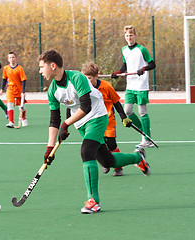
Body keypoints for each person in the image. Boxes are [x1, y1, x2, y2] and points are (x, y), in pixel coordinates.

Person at [39, 49, 151, 214]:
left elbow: (86, 106)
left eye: (42, 67)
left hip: (97, 116)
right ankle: (138, 157)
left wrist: (67, 123)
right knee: (108, 161)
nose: (40, 71)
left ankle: (93, 201)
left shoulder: (77, 78)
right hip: (81, 124)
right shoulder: (52, 91)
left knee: (86, 151)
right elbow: (54, 121)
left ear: (53, 66)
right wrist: (50, 148)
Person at [81, 62, 132, 177]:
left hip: (108, 121)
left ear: (96, 77)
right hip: (94, 122)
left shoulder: (106, 86)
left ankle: (118, 167)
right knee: (99, 144)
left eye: (89, 78)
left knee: (112, 145)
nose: (87, 81)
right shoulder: (83, 88)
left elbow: (116, 103)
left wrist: (124, 117)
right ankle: (105, 161)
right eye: (85, 78)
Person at [111, 25, 156, 148]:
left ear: (135, 36)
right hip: (130, 85)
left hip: (141, 85)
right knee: (127, 111)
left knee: (142, 112)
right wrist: (118, 73)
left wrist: (143, 69)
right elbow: (125, 66)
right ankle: (144, 131)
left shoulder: (142, 49)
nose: (129, 38)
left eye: (131, 35)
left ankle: (147, 139)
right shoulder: (124, 50)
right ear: (124, 37)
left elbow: (152, 64)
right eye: (127, 36)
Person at [0, 52, 28, 128]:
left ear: (16, 58)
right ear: (8, 59)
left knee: (21, 106)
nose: (11, 59)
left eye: (13, 57)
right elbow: (4, 79)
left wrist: (23, 91)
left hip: (19, 89)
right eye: (10, 58)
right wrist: (2, 89)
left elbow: (23, 80)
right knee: (10, 104)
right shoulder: (6, 68)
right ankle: (11, 122)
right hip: (10, 89)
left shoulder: (19, 68)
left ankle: (24, 118)